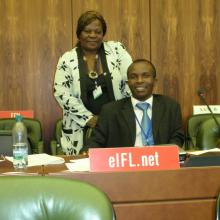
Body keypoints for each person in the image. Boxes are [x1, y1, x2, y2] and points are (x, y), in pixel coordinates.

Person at [54, 10, 132, 155]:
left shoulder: (116, 50)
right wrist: (89, 119)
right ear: (79, 33)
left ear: (103, 34)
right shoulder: (67, 58)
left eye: (98, 31)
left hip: (116, 124)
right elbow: (61, 92)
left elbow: (131, 80)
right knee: (83, 169)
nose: (93, 35)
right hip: (80, 128)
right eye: (87, 31)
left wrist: (123, 116)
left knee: (117, 167)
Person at [88, 59, 185, 148]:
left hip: (160, 162)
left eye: (145, 76)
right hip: (126, 164)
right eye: (133, 77)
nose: (139, 81)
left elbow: (177, 137)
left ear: (154, 81)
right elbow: (95, 142)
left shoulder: (170, 106)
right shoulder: (110, 110)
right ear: (128, 82)